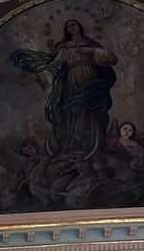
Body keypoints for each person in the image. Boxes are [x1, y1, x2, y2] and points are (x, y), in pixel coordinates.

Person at [12, 19, 117, 157]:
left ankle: (91, 144)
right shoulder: (64, 48)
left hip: (91, 79)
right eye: (68, 26)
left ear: (79, 26)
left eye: (73, 24)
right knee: (73, 108)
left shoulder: (91, 45)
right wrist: (38, 73)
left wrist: (91, 50)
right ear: (66, 30)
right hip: (72, 81)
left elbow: (112, 59)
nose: (71, 27)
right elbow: (55, 64)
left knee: (91, 110)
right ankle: (75, 144)